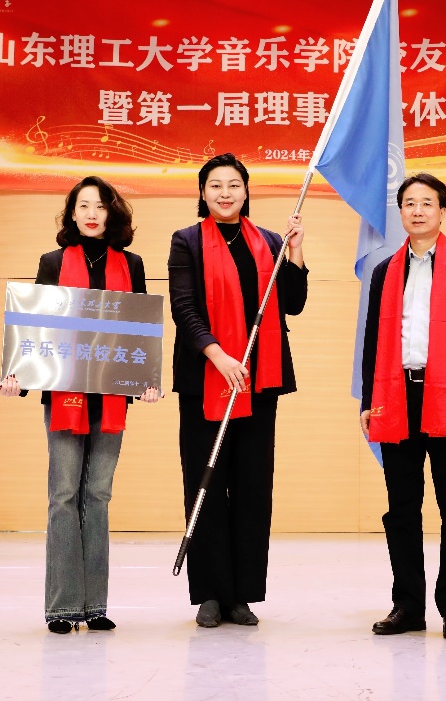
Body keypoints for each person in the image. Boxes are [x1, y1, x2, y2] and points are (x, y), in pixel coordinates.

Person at [0, 176, 160, 635]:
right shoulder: (53, 262)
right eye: (83, 205)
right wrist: (17, 378)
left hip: (110, 396)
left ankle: (95, 605)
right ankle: (63, 607)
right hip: (64, 395)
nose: (91, 213)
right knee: (64, 495)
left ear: (112, 213)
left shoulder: (132, 264)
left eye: (100, 206)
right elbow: (35, 330)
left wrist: (146, 381)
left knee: (98, 496)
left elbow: (140, 332)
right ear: (72, 213)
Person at [168, 153, 308, 628]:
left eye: (233, 185)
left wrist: (296, 252)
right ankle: (210, 594)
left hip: (259, 379)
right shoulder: (187, 241)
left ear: (246, 191)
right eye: (215, 185)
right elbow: (184, 307)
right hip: (207, 377)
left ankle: (241, 595)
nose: (225, 193)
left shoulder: (269, 241)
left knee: (251, 486)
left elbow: (292, 303)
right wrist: (218, 356)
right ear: (202, 193)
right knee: (205, 483)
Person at [360, 172, 446, 642]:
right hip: (396, 396)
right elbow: (373, 339)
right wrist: (369, 398)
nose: (417, 211)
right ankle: (407, 606)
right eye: (409, 203)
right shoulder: (385, 271)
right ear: (400, 212)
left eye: (427, 203)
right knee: (401, 508)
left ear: (442, 210)